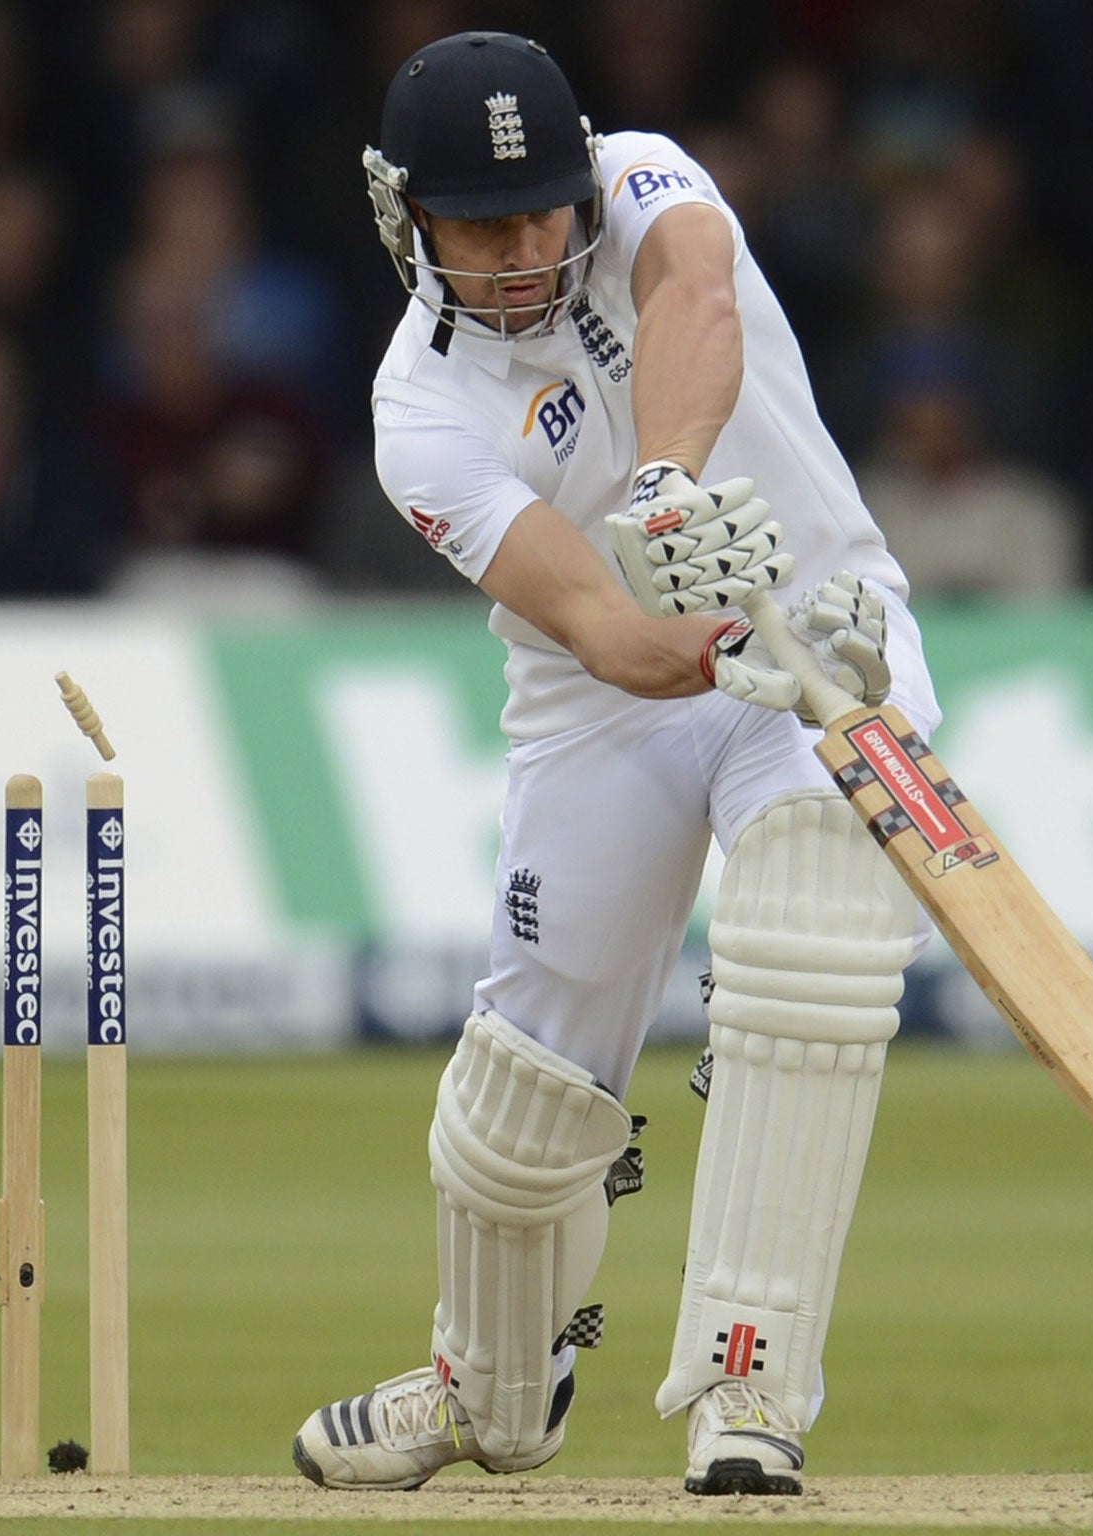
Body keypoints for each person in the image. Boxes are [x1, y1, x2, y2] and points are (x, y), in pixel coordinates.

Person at [291, 32, 939, 1498]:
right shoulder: (421, 415)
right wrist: (713, 649)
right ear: (409, 221)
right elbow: (593, 623)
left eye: (539, 212)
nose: (524, 252)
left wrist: (668, 483)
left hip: (828, 633)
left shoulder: (646, 176)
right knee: (519, 1104)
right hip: (614, 705)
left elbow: (696, 295)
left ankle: (747, 1389)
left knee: (812, 934)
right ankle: (489, 1392)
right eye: (481, 224)